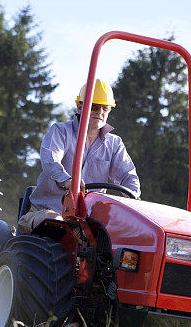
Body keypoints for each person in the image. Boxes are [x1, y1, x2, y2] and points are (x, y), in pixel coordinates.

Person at [18, 78, 141, 233]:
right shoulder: (60, 131)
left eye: (105, 108)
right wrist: (67, 180)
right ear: (79, 106)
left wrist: (134, 200)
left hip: (89, 222)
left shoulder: (115, 144)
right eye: (94, 107)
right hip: (48, 213)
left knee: (123, 233)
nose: (100, 113)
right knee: (57, 223)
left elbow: (128, 177)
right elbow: (50, 160)